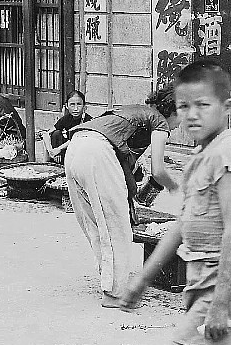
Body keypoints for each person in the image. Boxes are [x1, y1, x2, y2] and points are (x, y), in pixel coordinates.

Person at [120, 61, 231, 345]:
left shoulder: (227, 153)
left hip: (221, 286)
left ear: (226, 107)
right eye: (184, 107)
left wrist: (220, 305)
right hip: (203, 283)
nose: (192, 116)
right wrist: (144, 277)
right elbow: (182, 224)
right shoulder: (203, 155)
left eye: (203, 105)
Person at [65, 88, 182, 307]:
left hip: (75, 147)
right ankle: (114, 294)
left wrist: (134, 185)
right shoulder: (160, 122)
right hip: (96, 153)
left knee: (96, 223)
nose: (181, 125)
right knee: (117, 226)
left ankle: (108, 281)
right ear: (174, 110)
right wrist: (175, 187)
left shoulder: (136, 111)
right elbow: (158, 171)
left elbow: (123, 164)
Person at [41, 90, 92, 163]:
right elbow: (46, 135)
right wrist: (51, 150)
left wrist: (59, 149)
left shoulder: (88, 121)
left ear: (84, 106)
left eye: (79, 104)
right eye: (72, 104)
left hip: (80, 153)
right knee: (56, 133)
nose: (75, 108)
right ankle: (46, 166)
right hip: (65, 150)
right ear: (67, 106)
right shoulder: (66, 119)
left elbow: (75, 140)